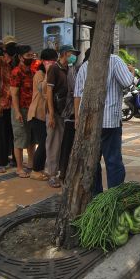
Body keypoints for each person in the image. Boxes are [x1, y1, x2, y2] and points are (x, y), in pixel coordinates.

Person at [74, 47, 133, 194]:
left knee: (92, 161)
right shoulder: (114, 60)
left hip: (88, 122)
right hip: (109, 122)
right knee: (113, 161)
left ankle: (96, 198)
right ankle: (114, 196)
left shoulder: (85, 65)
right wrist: (131, 72)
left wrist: (77, 118)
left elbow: (77, 94)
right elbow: (127, 82)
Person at [45, 45, 79, 187]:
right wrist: (51, 115)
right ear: (65, 54)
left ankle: (60, 172)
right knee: (53, 143)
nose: (74, 56)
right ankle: (52, 174)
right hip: (55, 112)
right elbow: (49, 92)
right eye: (72, 53)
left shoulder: (70, 69)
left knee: (62, 144)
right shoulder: (54, 68)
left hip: (66, 112)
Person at [28, 48, 58, 180]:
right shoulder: (39, 73)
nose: (54, 63)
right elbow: (43, 89)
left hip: (43, 113)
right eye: (51, 60)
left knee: (46, 141)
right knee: (43, 142)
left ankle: (39, 168)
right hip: (37, 113)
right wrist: (47, 72)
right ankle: (35, 170)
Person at [60, 48, 89, 181]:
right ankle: (63, 173)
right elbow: (75, 89)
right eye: (72, 54)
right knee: (67, 145)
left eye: (76, 55)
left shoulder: (77, 68)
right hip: (71, 113)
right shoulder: (74, 69)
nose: (74, 57)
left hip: (79, 113)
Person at [0, 35, 17, 172]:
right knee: (2, 133)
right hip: (3, 101)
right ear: (4, 47)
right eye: (9, 46)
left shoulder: (18, 60)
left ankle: (16, 159)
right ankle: (1, 161)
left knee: (15, 132)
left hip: (16, 103)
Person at [10, 45, 37, 178]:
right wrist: (17, 111)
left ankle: (30, 164)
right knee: (20, 138)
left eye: (32, 55)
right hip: (20, 109)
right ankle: (19, 167)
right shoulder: (16, 72)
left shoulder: (32, 72)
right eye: (28, 56)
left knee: (31, 139)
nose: (31, 58)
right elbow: (14, 94)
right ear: (20, 57)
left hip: (31, 109)